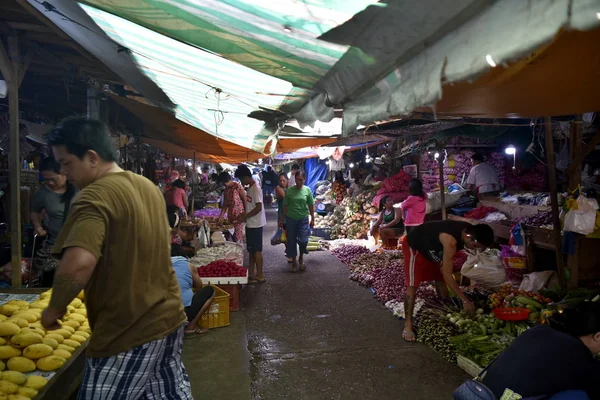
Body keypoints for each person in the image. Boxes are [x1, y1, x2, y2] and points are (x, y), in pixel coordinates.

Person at [41, 118, 191, 399]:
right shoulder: (147, 187)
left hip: (127, 329)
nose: (62, 171)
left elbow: (79, 264)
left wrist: (55, 307)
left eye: (67, 162)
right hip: (168, 316)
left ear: (92, 158)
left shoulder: (94, 196)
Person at [480, 302, 600, 399]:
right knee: (578, 396)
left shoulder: (539, 330)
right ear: (598, 336)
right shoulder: (578, 354)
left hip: (482, 394)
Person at [401, 220, 494, 342]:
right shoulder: (451, 241)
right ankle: (408, 325)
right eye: (475, 246)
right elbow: (447, 275)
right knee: (412, 285)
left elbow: (444, 274)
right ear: (468, 237)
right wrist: (465, 300)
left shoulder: (470, 230)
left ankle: (443, 312)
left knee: (439, 280)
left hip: (433, 248)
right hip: (415, 245)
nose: (475, 249)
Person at [30, 157, 78, 286]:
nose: (50, 183)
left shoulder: (79, 188)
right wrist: (37, 226)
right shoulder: (43, 193)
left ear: (64, 174)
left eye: (53, 179)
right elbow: (35, 210)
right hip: (55, 245)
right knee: (53, 282)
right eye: (46, 179)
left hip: (79, 244)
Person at [168, 209, 215, 335]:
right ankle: (191, 326)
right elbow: (199, 286)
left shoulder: (159, 265)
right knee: (210, 291)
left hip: (163, 314)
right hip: (184, 312)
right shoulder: (188, 265)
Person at [234, 165, 267, 284]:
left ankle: (260, 275)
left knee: (257, 250)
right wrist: (243, 215)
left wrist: (245, 216)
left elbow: (258, 207)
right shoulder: (250, 188)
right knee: (251, 250)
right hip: (250, 223)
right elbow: (251, 206)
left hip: (256, 224)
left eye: (241, 179)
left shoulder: (256, 188)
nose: (241, 182)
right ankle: (252, 273)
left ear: (246, 176)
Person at [279, 171, 315, 272]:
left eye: (301, 180)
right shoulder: (289, 190)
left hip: (303, 219)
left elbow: (311, 205)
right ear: (294, 179)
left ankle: (301, 257)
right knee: (291, 241)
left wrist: (313, 218)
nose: (299, 182)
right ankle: (294, 262)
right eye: (297, 179)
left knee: (303, 240)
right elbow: (285, 205)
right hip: (291, 219)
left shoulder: (307, 190)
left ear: (304, 179)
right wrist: (282, 219)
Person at [217, 171, 246, 242]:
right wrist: (220, 217)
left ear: (225, 181)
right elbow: (225, 205)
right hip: (230, 217)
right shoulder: (226, 190)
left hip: (239, 216)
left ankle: (239, 252)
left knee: (237, 238)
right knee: (231, 237)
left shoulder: (238, 187)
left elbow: (245, 201)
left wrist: (245, 215)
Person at [275, 172, 292, 262]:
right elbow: (286, 198)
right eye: (280, 181)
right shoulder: (278, 188)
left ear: (287, 180)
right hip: (282, 216)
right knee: (285, 236)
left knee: (289, 235)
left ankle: (289, 252)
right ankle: (289, 252)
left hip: (290, 215)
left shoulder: (289, 189)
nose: (282, 182)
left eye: (284, 180)